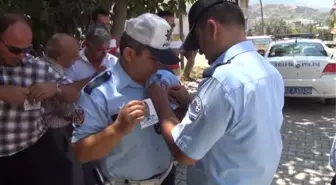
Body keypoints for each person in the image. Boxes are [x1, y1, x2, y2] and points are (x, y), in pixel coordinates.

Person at [147, 1, 285, 185]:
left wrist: (161, 104)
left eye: (198, 39)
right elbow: (237, 120)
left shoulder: (224, 80)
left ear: (212, 28)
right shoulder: (268, 71)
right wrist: (190, 102)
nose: (201, 51)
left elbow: (185, 153)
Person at [71, 13, 180, 185]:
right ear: (129, 54)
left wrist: (182, 104)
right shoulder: (98, 93)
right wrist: (117, 129)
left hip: (167, 176)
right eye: (154, 58)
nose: (160, 64)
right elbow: (80, 153)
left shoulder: (165, 81)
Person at [0, 13, 83, 185]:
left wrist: (56, 89)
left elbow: (73, 93)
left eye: (26, 49)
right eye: (15, 50)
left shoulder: (38, 67)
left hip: (31, 153)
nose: (22, 56)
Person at [66, 24, 118, 90]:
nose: (105, 53)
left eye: (107, 48)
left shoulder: (114, 61)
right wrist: (96, 77)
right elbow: (66, 90)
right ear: (88, 45)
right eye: (100, 49)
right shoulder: (72, 62)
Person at [157, 10, 182, 76]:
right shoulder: (148, 40)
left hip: (175, 76)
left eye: (172, 25)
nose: (170, 28)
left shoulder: (175, 38)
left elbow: (176, 54)